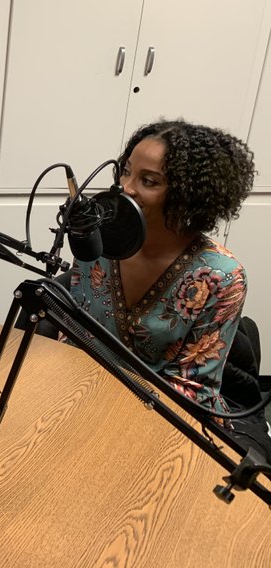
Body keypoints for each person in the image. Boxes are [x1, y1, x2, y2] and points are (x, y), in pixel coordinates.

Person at [68, 119, 257, 415]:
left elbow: (194, 390)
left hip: (163, 415)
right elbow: (73, 336)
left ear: (187, 195)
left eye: (149, 181)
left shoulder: (221, 276)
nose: (125, 188)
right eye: (126, 171)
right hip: (82, 393)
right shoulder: (98, 243)